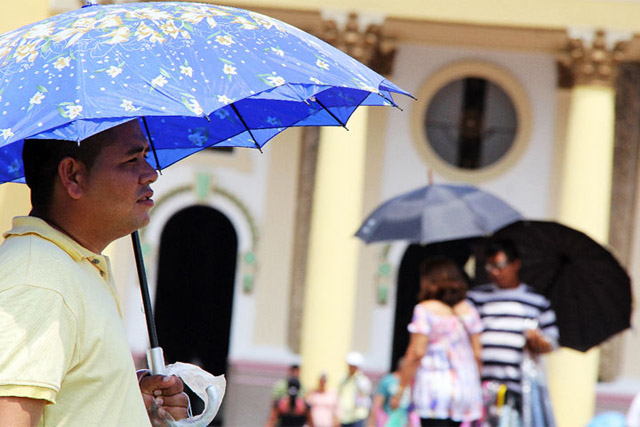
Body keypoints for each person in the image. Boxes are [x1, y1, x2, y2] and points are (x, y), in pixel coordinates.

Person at [0, 120, 189, 426]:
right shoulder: (38, 280)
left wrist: (127, 405)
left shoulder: (75, 265)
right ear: (72, 176)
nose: (151, 173)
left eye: (145, 155)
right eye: (131, 160)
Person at [466, 238, 559, 420]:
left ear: (515, 264)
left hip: (516, 392)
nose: (494, 272)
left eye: (499, 266)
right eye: (489, 266)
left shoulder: (537, 302)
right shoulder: (476, 297)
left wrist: (538, 341)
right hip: (480, 388)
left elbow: (551, 343)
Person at [397, 256, 483, 427]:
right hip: (465, 390)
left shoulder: (425, 310)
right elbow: (478, 354)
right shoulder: (469, 311)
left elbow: (417, 352)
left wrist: (401, 387)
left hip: (434, 389)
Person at [368, 358, 414, 427]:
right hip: (388, 423)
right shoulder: (388, 380)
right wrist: (371, 424)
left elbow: (410, 410)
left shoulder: (410, 383)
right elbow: (377, 404)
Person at [338, 351, 373, 427]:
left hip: (357, 416)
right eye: (350, 365)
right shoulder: (343, 380)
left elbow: (365, 399)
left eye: (353, 366)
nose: (351, 368)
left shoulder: (363, 381)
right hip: (344, 416)